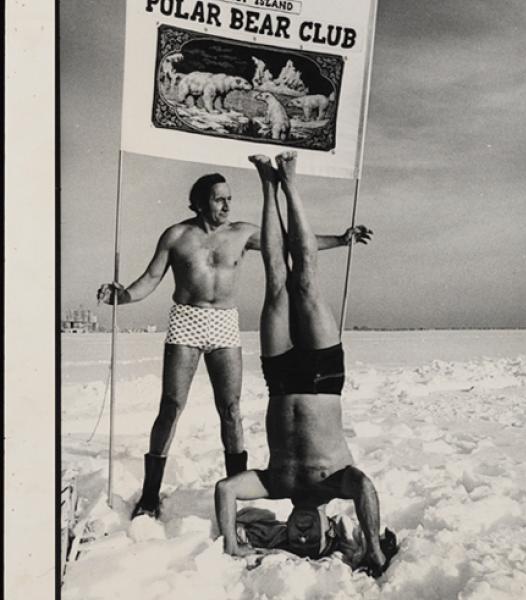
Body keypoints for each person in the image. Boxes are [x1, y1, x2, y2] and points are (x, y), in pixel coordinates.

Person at [97, 171, 371, 519]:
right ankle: (150, 495)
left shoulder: (242, 233)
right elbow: (151, 278)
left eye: (229, 198)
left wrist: (341, 239)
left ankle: (234, 488)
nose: (226, 205)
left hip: (225, 322)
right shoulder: (176, 235)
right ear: (199, 203)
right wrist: (121, 296)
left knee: (230, 409)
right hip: (187, 319)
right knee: (171, 404)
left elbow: (290, 242)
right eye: (218, 199)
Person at [215, 152, 396, 577]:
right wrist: (372, 547)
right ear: (325, 531)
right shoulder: (335, 483)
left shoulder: (275, 488)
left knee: (277, 279)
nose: (299, 535)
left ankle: (267, 183)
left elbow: (226, 490)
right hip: (322, 380)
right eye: (308, 539)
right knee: (307, 281)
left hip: (280, 380)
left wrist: (231, 546)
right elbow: (365, 488)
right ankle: (291, 182)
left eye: (293, 540)